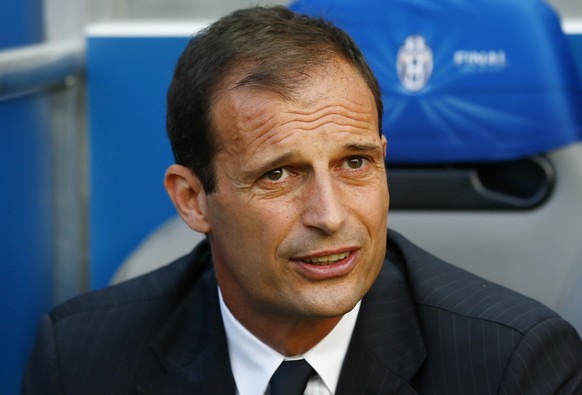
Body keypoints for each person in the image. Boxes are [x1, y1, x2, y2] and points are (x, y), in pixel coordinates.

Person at [23, 6, 582, 395]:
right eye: (280, 175)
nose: (331, 216)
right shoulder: (80, 358)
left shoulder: (513, 364)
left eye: (355, 163)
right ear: (193, 200)